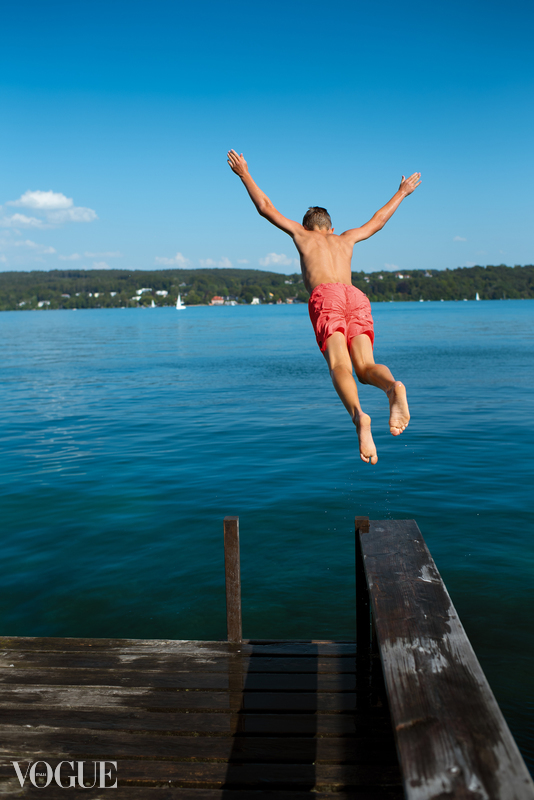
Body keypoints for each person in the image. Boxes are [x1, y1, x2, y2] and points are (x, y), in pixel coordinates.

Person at [227, 149, 421, 465]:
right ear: (331, 228)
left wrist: (244, 173)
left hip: (327, 298)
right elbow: (379, 221)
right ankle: (392, 387)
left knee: (340, 366)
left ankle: (360, 417)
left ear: (307, 227)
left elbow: (265, 207)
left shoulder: (302, 235)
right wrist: (402, 191)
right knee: (365, 367)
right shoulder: (345, 239)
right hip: (355, 297)